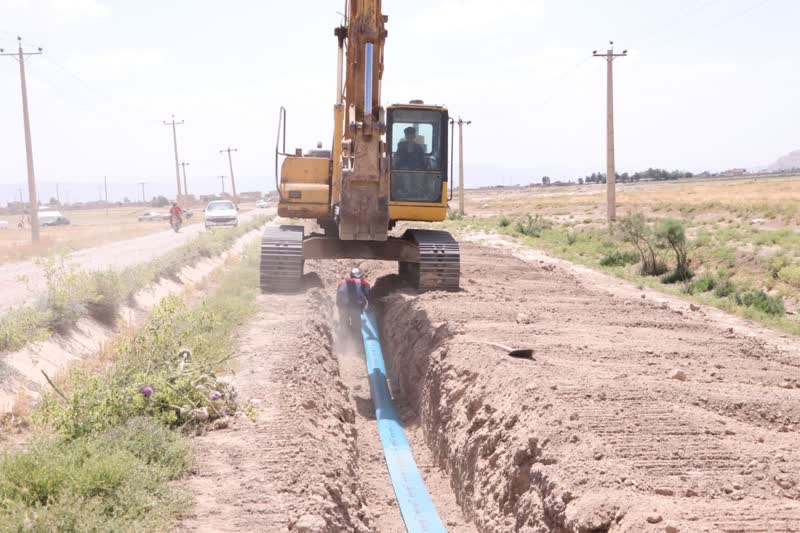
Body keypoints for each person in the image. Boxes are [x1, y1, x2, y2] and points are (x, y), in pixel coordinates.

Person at [336, 267, 371, 335]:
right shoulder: (364, 283)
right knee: (356, 325)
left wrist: (339, 307)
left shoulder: (341, 282)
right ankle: (356, 339)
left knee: (344, 324)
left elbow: (338, 295)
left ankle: (343, 338)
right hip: (356, 307)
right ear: (361, 276)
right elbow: (369, 296)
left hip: (342, 306)